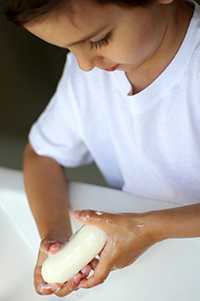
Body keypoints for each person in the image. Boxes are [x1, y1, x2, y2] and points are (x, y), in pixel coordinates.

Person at [5, 0, 200, 298]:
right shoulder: (91, 73)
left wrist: (148, 228)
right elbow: (42, 155)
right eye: (69, 48)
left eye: (98, 40)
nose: (84, 64)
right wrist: (55, 234)